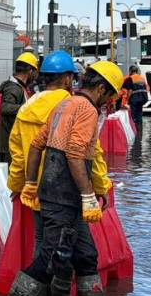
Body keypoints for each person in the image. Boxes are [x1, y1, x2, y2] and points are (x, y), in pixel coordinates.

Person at [0, 61, 132, 296]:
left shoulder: (64, 106)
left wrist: (32, 183)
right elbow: (74, 154)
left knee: (86, 255)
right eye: (111, 96)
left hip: (54, 193)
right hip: (64, 196)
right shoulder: (86, 110)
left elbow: (36, 145)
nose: (110, 102)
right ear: (102, 88)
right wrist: (88, 196)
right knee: (48, 259)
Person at [7, 50, 114, 257]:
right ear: (67, 78)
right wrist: (100, 188)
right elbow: (91, 153)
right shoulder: (74, 106)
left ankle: (42, 285)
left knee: (42, 241)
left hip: (36, 190)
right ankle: (61, 286)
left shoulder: (26, 108)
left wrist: (20, 186)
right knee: (75, 247)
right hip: (66, 191)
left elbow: (19, 154)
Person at [0, 52, 39, 163]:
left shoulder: (19, 87)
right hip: (8, 145)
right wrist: (29, 108)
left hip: (13, 143)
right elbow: (5, 107)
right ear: (30, 71)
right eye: (35, 72)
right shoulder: (13, 87)